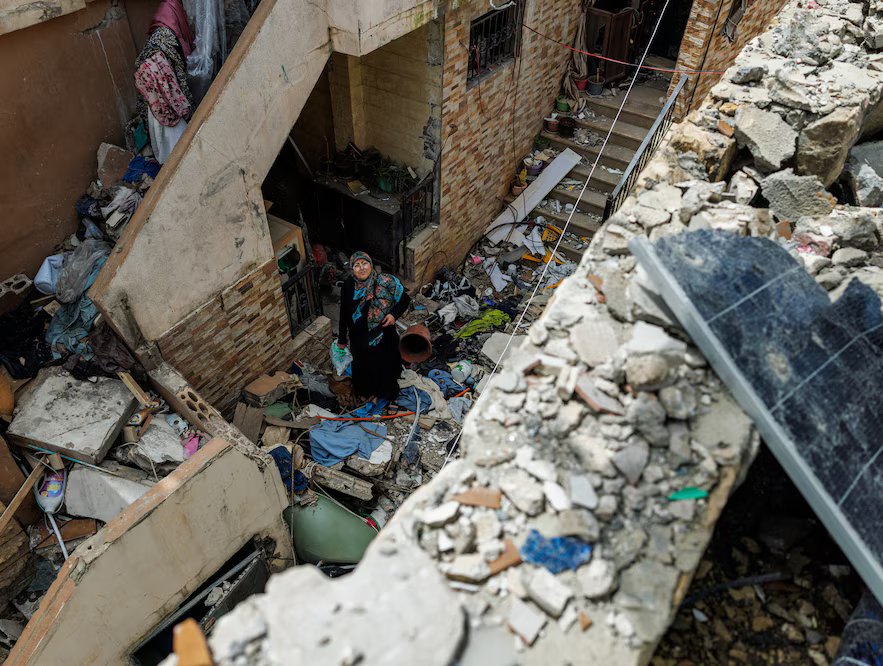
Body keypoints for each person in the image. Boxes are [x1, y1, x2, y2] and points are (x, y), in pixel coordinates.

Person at [338, 252, 411, 402]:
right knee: (363, 368)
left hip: (384, 333)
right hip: (359, 338)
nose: (361, 268)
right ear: (352, 269)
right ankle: (366, 392)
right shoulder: (348, 286)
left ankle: (390, 396)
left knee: (386, 365)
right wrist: (341, 338)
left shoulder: (385, 281)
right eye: (357, 265)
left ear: (371, 265)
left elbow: (405, 299)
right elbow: (344, 313)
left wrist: (393, 315)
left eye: (364, 264)